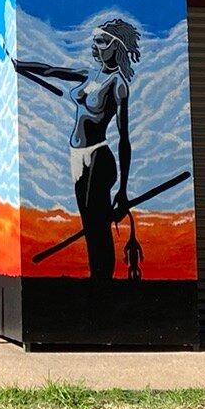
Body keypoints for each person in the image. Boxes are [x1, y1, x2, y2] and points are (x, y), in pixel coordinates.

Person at [13, 15, 143, 283]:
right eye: (94, 41)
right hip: (77, 156)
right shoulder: (89, 74)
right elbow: (51, 70)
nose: (95, 46)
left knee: (98, 221)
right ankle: (97, 275)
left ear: (115, 46)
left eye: (101, 42)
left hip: (99, 156)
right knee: (89, 219)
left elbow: (124, 138)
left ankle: (102, 277)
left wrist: (123, 190)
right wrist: (20, 65)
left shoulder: (118, 85)